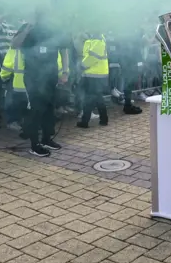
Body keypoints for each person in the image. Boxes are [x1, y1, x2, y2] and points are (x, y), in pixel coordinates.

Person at [11, 13, 69, 157]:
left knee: (50, 109)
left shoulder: (54, 28)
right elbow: (14, 44)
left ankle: (46, 139)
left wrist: (65, 72)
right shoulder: (27, 27)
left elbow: (64, 50)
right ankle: (34, 145)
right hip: (33, 77)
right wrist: (27, 28)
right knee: (36, 111)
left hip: (51, 76)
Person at [77, 32, 109, 128]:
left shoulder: (98, 39)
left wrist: (82, 65)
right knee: (97, 97)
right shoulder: (95, 37)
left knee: (89, 98)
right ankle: (104, 119)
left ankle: (85, 121)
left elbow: (93, 57)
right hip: (95, 73)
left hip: (95, 73)